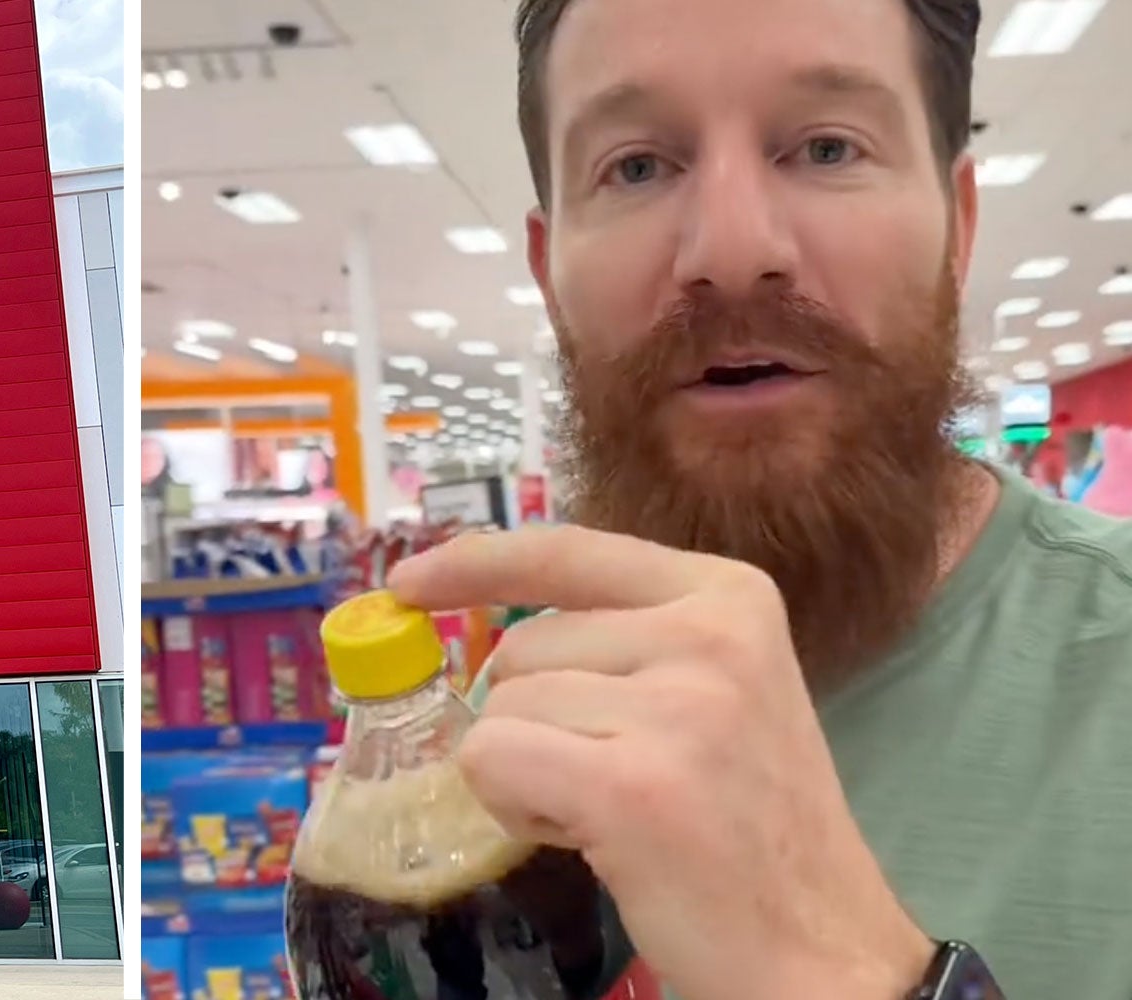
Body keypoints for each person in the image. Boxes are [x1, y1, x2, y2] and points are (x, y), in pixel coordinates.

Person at [385, 0, 1132, 997]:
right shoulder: (510, 732)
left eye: (826, 147)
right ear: (548, 277)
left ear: (957, 229)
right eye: (636, 167)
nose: (731, 251)